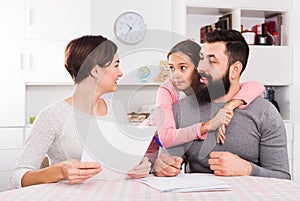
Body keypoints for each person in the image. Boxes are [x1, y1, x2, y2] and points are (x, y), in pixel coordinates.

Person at [9, 35, 151, 189]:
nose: (121, 73)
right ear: (95, 71)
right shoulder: (53, 116)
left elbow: (124, 158)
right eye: (116, 65)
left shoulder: (117, 109)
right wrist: (59, 172)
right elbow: (17, 178)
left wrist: (141, 164)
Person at [153, 30, 290, 180]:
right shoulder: (181, 109)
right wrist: (162, 167)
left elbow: (282, 178)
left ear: (235, 70)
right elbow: (166, 163)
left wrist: (247, 169)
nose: (201, 68)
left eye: (212, 61)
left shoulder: (265, 113)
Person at [142, 40, 265, 156]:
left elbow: (256, 86)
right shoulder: (166, 90)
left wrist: (229, 106)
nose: (175, 75)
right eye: (172, 68)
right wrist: (209, 125)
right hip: (141, 148)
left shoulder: (205, 83)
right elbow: (166, 138)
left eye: (183, 68)